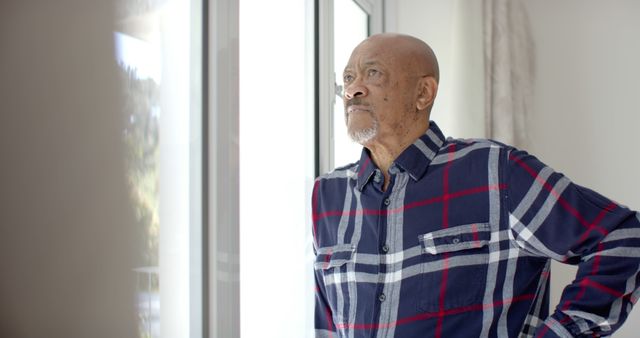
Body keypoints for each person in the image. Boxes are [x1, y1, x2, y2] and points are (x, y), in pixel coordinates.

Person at [311, 33, 640, 338]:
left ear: (423, 93)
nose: (353, 89)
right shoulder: (327, 195)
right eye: (349, 78)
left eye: (373, 74)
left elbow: (622, 238)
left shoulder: (497, 172)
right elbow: (327, 324)